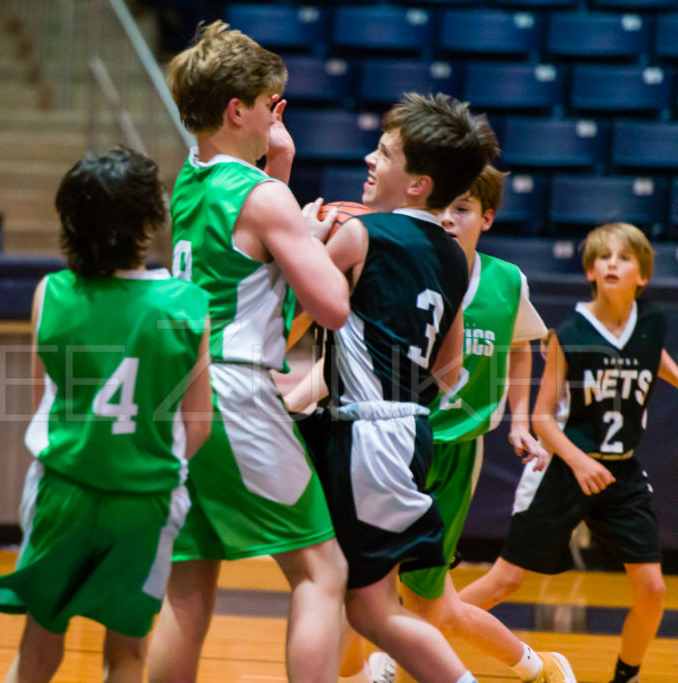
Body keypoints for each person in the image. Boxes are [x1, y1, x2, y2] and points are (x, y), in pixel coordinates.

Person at [147, 20, 352, 683]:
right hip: (235, 390)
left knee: (187, 583)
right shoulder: (264, 200)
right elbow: (331, 306)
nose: (275, 116)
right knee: (323, 570)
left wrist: (280, 165)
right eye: (268, 104)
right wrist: (311, 233)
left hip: (180, 395)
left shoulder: (189, 179)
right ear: (238, 109)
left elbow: (243, 255)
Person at [0, 147, 213, 683]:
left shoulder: (51, 293)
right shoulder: (188, 303)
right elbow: (199, 425)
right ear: (149, 220)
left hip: (64, 490)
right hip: (145, 499)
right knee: (126, 654)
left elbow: (46, 401)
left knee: (38, 646)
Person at [285, 91, 498, 683]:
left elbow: (293, 318)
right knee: (370, 608)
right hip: (409, 431)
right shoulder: (456, 259)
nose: (370, 160)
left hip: (363, 436)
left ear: (418, 184)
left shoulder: (364, 236)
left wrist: (302, 236)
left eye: (384, 153)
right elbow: (449, 368)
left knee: (330, 590)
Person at [350, 167, 575, 683]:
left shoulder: (505, 280)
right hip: (394, 440)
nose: (449, 218)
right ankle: (531, 666)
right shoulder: (410, 268)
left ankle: (535, 666)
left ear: (487, 217)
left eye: (464, 209)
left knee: (429, 606)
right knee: (373, 588)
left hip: (454, 452)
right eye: (442, 207)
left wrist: (520, 420)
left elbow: (522, 348)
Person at [459, 222, 678, 683]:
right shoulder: (570, 332)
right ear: (590, 271)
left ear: (642, 275)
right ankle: (408, 635)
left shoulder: (652, 324)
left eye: (624, 257)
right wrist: (579, 460)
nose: (612, 264)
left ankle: (627, 674)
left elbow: (654, 359)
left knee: (653, 588)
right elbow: (542, 418)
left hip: (621, 475)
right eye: (603, 257)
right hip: (565, 468)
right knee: (505, 581)